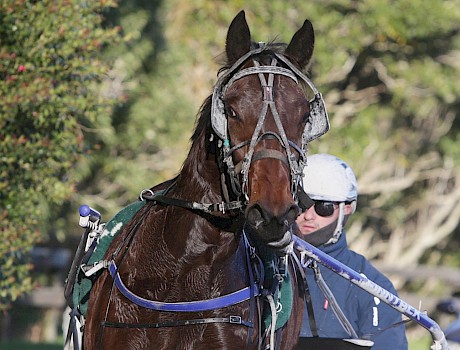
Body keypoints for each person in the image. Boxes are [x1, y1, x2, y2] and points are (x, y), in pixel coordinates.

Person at [295, 154, 408, 349]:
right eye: (301, 203)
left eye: (324, 206)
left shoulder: (373, 286)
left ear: (346, 208)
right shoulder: (259, 270)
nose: (308, 215)